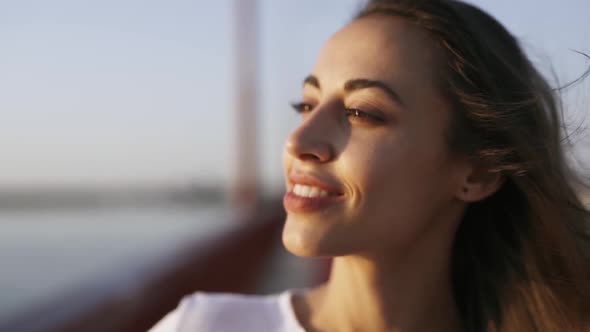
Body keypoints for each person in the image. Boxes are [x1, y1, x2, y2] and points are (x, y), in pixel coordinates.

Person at [149, 0, 590, 331]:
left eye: (362, 113)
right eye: (307, 104)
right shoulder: (205, 326)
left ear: (477, 174)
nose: (299, 140)